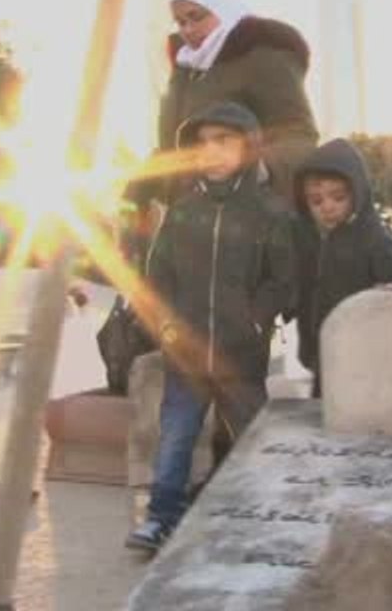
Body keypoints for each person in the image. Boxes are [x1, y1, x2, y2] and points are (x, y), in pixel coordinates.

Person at [125, 101, 296, 552]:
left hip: (241, 355)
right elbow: (158, 278)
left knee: (252, 433)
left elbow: (284, 279)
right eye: (202, 143)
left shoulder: (270, 212)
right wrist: (164, 326)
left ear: (249, 147)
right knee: (176, 434)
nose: (211, 151)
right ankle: (161, 517)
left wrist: (257, 319)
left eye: (224, 141)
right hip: (186, 353)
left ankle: (259, 514)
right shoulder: (183, 211)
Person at [127, 0, 318, 210]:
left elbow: (299, 137)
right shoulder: (185, 70)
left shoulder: (262, 56)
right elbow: (174, 149)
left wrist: (255, 169)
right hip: (189, 215)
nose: (187, 29)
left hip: (248, 213)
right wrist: (137, 191)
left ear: (222, 8)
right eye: (181, 22)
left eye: (196, 17)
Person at [292, 139, 392, 398]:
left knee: (362, 415)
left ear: (357, 192)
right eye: (316, 201)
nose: (327, 206)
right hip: (323, 354)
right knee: (324, 414)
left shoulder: (373, 238)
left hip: (365, 356)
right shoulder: (308, 241)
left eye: (338, 197)